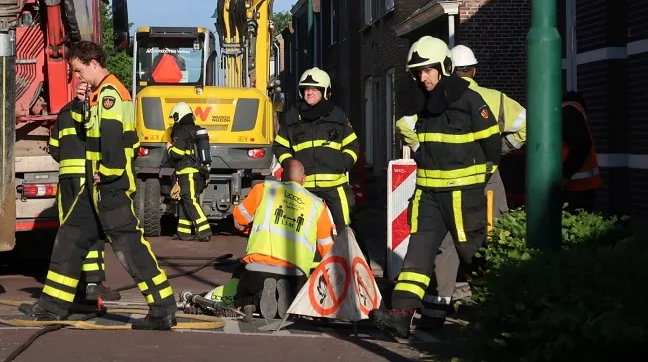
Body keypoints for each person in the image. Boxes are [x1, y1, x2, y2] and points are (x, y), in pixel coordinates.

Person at [24, 41, 177, 330]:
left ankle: (162, 308)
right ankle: (52, 306)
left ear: (93, 63)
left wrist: (107, 172)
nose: (78, 77)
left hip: (109, 186)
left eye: (79, 70)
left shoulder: (109, 93)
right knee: (69, 238)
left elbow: (111, 136)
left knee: (129, 247)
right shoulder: (100, 95)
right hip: (94, 188)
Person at [373, 36, 501, 339]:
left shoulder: (470, 99)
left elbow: (492, 146)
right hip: (428, 196)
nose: (422, 77)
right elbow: (412, 135)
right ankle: (400, 316)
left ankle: (496, 313)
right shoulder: (419, 102)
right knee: (417, 255)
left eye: (428, 71)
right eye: (417, 72)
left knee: (473, 255)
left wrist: (476, 181)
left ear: (444, 67)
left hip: (463, 197)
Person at [395, 44, 527, 327]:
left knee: (448, 249)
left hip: (453, 184)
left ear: (447, 69)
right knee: (486, 242)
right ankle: (495, 309)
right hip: (487, 179)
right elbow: (526, 123)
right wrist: (503, 150)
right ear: (474, 70)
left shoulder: (443, 99)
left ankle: (436, 311)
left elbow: (404, 125)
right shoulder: (496, 98)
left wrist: (422, 151)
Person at [204, 159, 336, 319]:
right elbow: (329, 250)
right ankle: (286, 299)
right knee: (295, 292)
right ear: (304, 179)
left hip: (257, 268)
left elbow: (239, 219)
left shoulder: (264, 189)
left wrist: (250, 231)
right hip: (294, 274)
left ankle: (253, 301)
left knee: (243, 282)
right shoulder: (318, 205)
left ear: (281, 176)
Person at [47, 98, 120, 302]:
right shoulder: (93, 110)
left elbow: (54, 148)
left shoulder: (63, 112)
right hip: (88, 177)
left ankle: (72, 287)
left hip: (67, 179)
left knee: (69, 231)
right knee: (92, 230)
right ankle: (92, 284)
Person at [273, 68, 360, 233]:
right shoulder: (292, 117)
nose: (309, 92)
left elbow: (353, 145)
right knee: (301, 231)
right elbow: (279, 146)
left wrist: (343, 164)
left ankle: (352, 259)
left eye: (314, 89)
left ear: (325, 91)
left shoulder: (337, 116)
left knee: (347, 230)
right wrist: (290, 165)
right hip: (303, 188)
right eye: (306, 89)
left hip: (336, 186)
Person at [165, 102, 212, 242]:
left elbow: (177, 154)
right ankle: (184, 233)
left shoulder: (181, 131)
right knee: (185, 201)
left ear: (178, 115)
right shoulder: (194, 130)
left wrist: (169, 148)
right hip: (196, 172)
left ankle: (204, 232)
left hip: (188, 172)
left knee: (190, 200)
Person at [561, 91, 601, 213]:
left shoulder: (568, 112)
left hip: (572, 187)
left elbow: (581, 147)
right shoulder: (576, 112)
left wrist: (564, 175)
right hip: (582, 185)